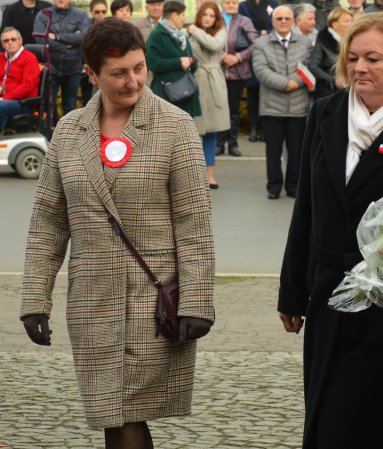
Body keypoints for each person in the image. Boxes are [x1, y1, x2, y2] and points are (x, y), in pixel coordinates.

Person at [20, 18, 214, 449]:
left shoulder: (175, 126)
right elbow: (48, 222)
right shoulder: (70, 131)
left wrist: (198, 301)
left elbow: (194, 224)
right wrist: (36, 298)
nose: (134, 81)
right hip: (92, 303)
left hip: (154, 302)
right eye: (119, 72)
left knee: (126, 413)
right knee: (111, 414)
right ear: (91, 74)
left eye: (139, 68)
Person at [278, 12, 383, 449]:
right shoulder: (326, 112)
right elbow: (308, 209)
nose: (359, 68)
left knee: (365, 414)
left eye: (373, 58)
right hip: (326, 289)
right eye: (352, 58)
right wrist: (293, 290)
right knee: (321, 403)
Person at [252, 5, 313, 200]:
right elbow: (261, 71)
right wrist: (285, 83)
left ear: (293, 21)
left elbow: (309, 66)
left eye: (287, 18)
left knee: (296, 152)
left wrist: (295, 81)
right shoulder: (261, 44)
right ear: (273, 21)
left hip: (298, 107)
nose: (284, 21)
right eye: (280, 19)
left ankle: (293, 186)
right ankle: (274, 186)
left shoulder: (305, 43)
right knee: (273, 152)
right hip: (272, 108)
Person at [188, 1, 230, 187]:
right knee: (193, 132)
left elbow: (214, 45)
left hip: (214, 81)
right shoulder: (188, 30)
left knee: (211, 132)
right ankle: (193, 175)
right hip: (194, 83)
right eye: (205, 14)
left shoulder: (221, 30)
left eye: (212, 15)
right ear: (199, 15)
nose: (208, 18)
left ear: (216, 18)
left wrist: (194, 31)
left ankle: (209, 174)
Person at [33, 0, 91, 121]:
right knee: (49, 106)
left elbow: (84, 37)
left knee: (70, 106)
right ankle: (50, 136)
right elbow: (40, 39)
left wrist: (56, 37)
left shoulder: (81, 15)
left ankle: (68, 135)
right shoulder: (44, 15)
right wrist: (68, 45)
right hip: (50, 69)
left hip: (73, 68)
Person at [146, 1, 200, 118]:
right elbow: (153, 63)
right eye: (183, 15)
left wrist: (191, 61)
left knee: (186, 133)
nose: (184, 19)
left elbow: (192, 60)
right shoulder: (157, 35)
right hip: (166, 94)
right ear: (174, 15)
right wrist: (178, 62)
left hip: (186, 91)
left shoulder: (181, 35)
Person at [218, 0, 258, 156]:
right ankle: (219, 143)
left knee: (234, 110)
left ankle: (233, 143)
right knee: (220, 109)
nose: (231, 5)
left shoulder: (245, 21)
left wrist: (238, 57)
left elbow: (255, 43)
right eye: (227, 2)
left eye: (234, 2)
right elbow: (207, 42)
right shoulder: (216, 20)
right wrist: (223, 57)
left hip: (238, 73)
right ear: (222, 5)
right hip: (218, 72)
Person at [239, 0, 279, 143]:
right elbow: (242, 26)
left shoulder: (274, 3)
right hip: (251, 52)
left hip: (271, 52)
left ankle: (264, 128)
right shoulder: (243, 6)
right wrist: (257, 34)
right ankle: (253, 127)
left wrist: (266, 33)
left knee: (267, 91)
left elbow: (278, 24)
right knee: (252, 91)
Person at [307, 6, 353, 100]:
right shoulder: (323, 40)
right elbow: (312, 65)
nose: (350, 24)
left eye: (351, 21)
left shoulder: (353, 40)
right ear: (335, 24)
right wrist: (332, 81)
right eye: (346, 21)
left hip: (348, 92)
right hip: (327, 93)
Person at [0, 27, 40, 132]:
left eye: (13, 39)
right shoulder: (1, 58)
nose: (10, 43)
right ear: (2, 44)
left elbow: (28, 86)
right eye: (6, 40)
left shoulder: (29, 58)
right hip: (4, 99)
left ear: (20, 41)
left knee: (1, 106)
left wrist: (5, 98)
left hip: (23, 102)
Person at [81, 0, 108, 105]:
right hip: (89, 70)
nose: (101, 14)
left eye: (103, 11)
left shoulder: (110, 27)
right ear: (91, 12)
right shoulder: (84, 27)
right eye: (97, 12)